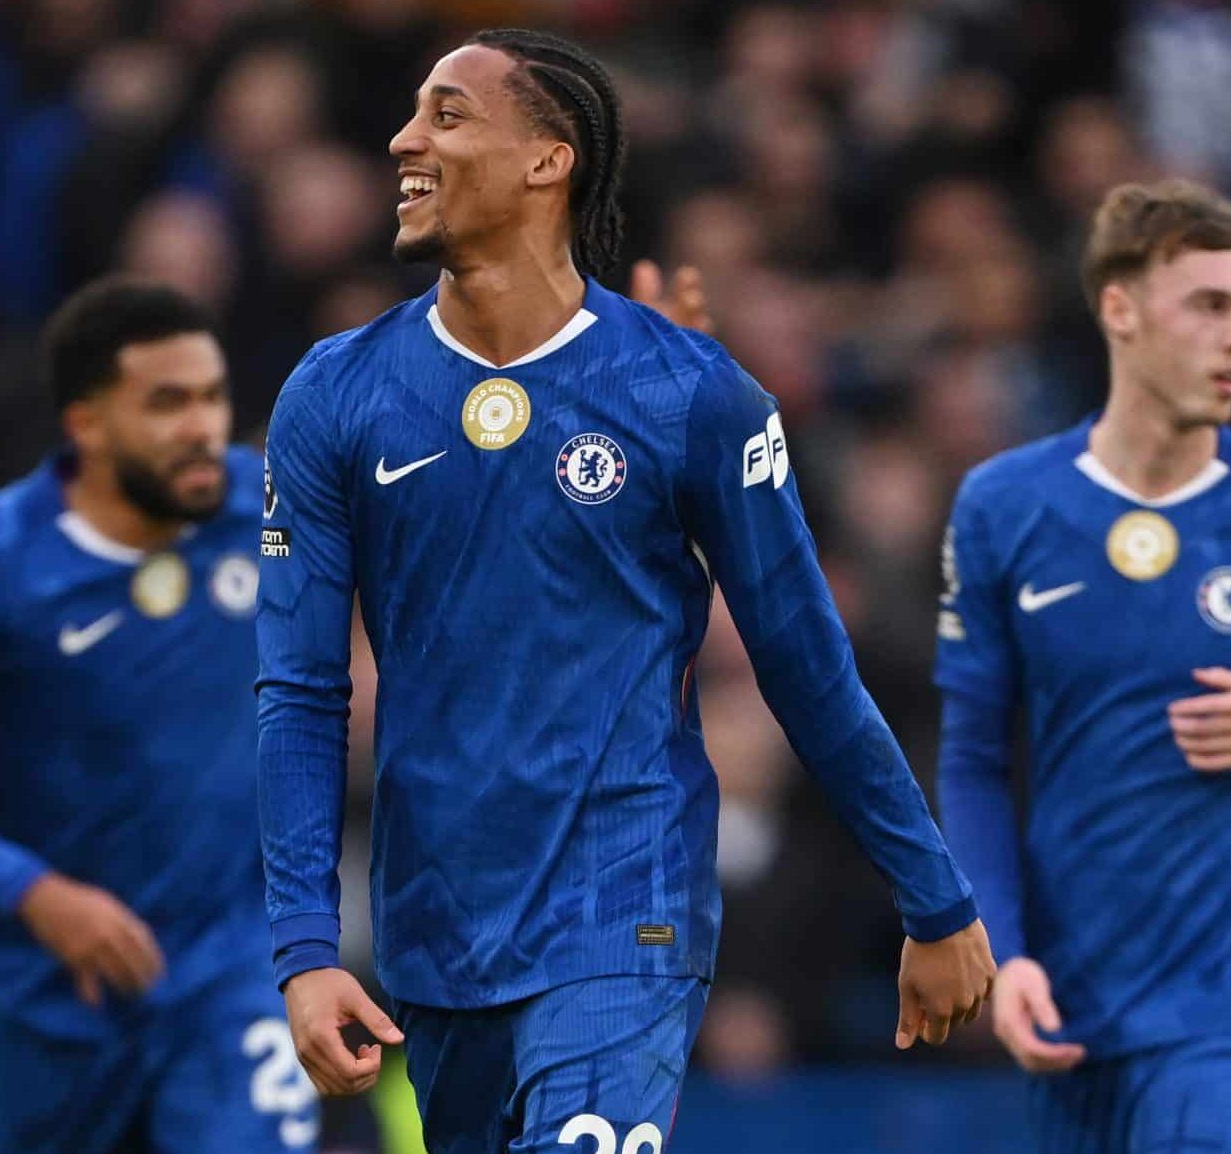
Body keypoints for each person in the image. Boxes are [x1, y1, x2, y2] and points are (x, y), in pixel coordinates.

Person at [255, 27, 995, 1149]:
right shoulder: (335, 393)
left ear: (548, 159)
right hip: (433, 927)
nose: (404, 139)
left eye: (447, 115)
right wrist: (306, 947)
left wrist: (931, 892)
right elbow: (302, 690)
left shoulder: (689, 394)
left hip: (624, 908)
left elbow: (805, 664)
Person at [933, 179, 1231, 1152]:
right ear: (1118, 307)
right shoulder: (1003, 505)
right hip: (1070, 987)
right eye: (1207, 305)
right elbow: (972, 761)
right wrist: (1002, 947)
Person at [0, 280, 318, 1154]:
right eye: (167, 403)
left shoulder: (260, 503)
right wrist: (32, 894)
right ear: (86, 425)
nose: (202, 426)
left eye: (210, 397)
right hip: (53, 996)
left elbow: (455, 501)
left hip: (233, 970)